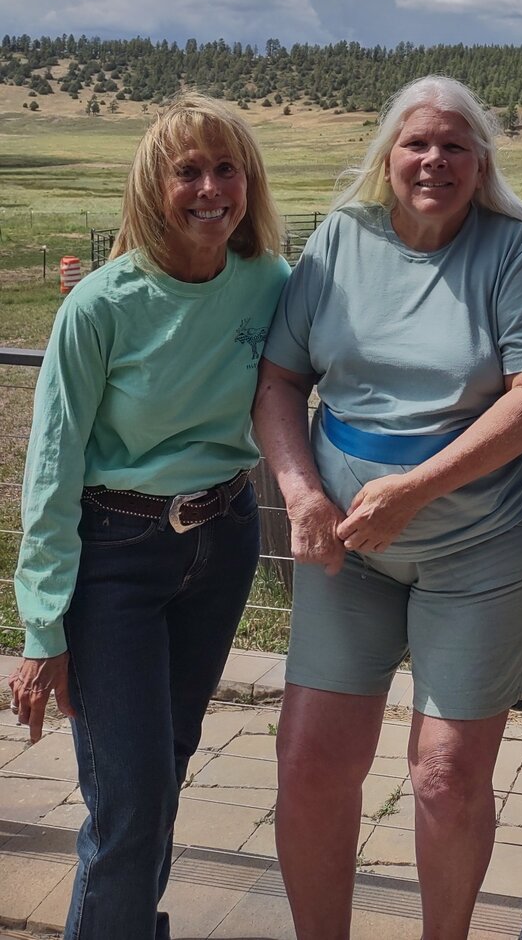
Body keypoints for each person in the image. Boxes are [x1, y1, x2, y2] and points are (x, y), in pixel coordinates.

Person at [253, 75, 522, 940]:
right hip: (343, 549)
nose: (432, 160)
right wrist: (299, 492)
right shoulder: (340, 240)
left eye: (452, 146)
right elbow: (282, 378)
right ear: (386, 157)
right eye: (415, 143)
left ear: (481, 162)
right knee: (311, 762)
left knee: (443, 775)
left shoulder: (517, 252)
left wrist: (412, 491)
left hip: (484, 547)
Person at [9, 93, 289, 940]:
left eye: (226, 168)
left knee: (165, 765)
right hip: (116, 556)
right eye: (188, 172)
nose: (210, 188)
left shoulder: (269, 283)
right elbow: (51, 466)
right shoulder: (100, 305)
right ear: (151, 188)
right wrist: (41, 628)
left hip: (225, 537)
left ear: (250, 181)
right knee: (129, 799)